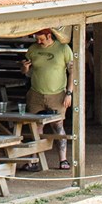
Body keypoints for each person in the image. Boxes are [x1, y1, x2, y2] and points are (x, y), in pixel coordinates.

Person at [22, 27, 74, 168]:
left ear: (49, 35)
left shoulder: (63, 48)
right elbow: (27, 73)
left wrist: (69, 93)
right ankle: (33, 160)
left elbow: (72, 72)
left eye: (41, 39)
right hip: (36, 93)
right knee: (36, 127)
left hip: (57, 94)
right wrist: (25, 68)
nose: (38, 41)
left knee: (57, 126)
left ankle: (63, 159)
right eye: (36, 38)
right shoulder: (32, 49)